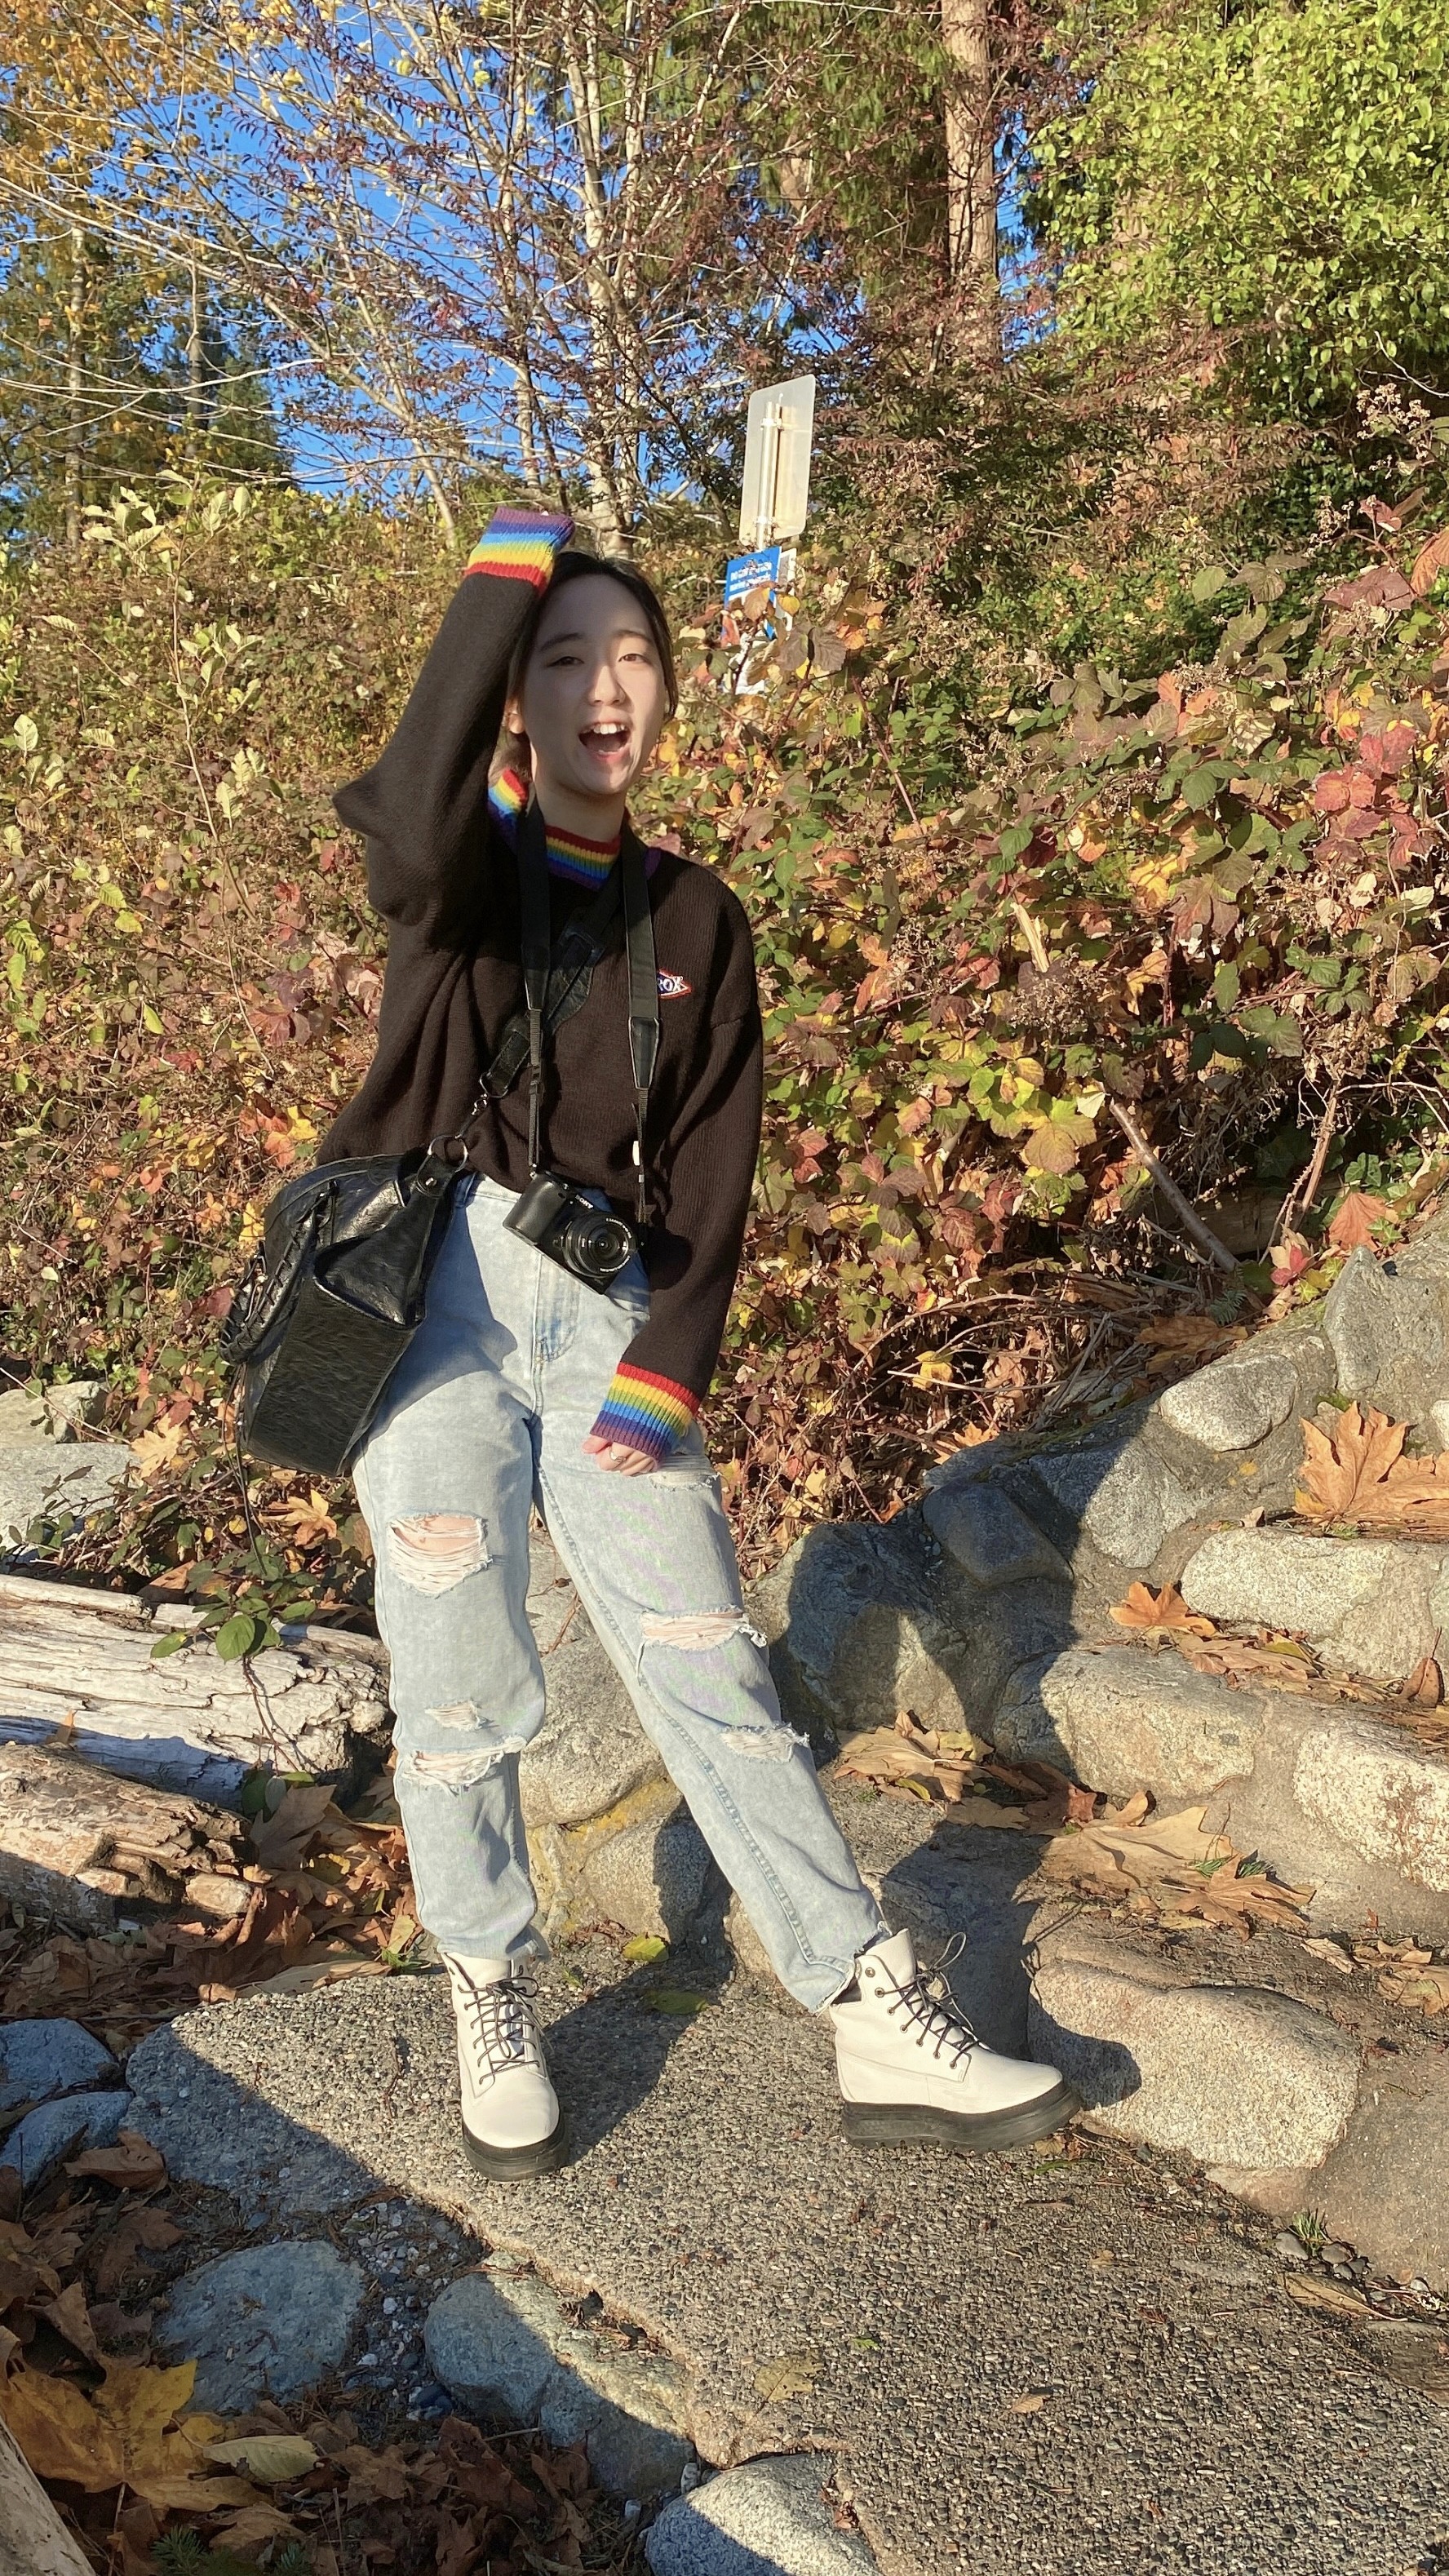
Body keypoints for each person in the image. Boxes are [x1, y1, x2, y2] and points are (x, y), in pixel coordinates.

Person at [319, 506, 1076, 2178]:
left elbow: (716, 1162)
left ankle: (867, 2003)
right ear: (516, 694)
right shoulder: (466, 879)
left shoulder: (699, 919)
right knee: (461, 1684)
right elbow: (396, 812)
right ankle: (490, 1977)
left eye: (634, 657)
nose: (606, 689)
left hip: (602, 1316)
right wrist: (509, 565)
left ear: (670, 694)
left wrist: (668, 1360)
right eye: (566, 660)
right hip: (432, 1306)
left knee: (710, 1661)